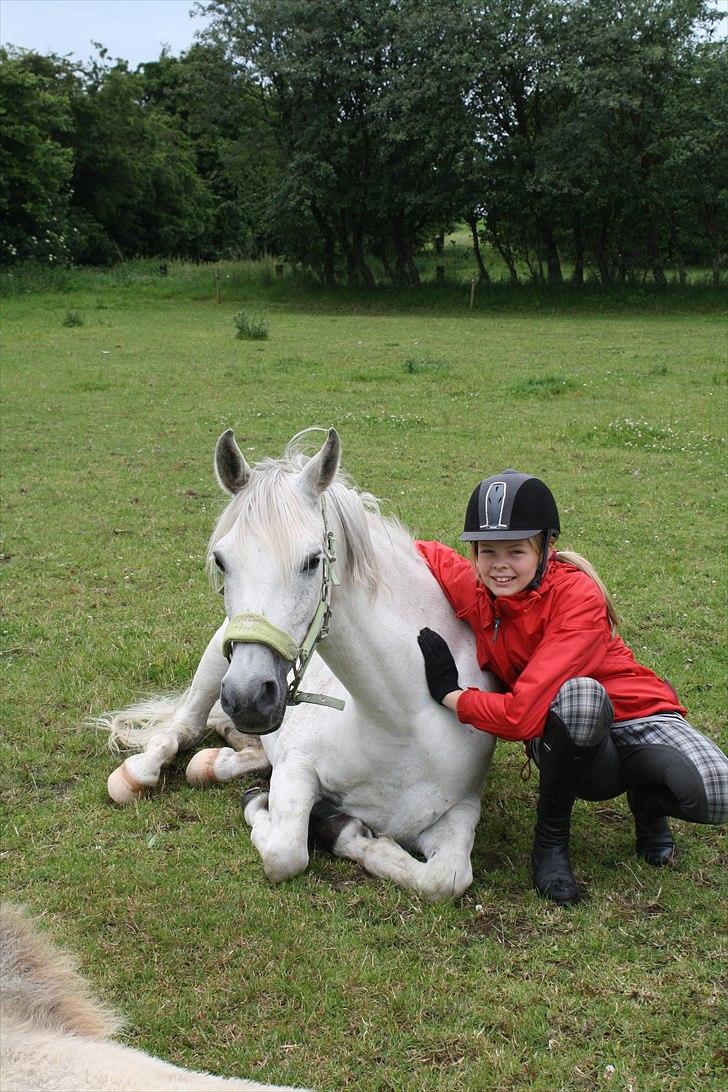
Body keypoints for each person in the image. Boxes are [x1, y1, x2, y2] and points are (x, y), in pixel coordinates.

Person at [416, 470, 728, 906]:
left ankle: (649, 804)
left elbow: (523, 715)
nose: (500, 565)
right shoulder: (476, 587)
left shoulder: (578, 596)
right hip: (576, 731)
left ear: (545, 547)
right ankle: (551, 841)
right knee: (581, 701)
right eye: (487, 551)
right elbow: (419, 553)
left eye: (516, 551)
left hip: (638, 716)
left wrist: (453, 695)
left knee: (718, 792)